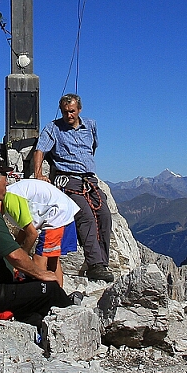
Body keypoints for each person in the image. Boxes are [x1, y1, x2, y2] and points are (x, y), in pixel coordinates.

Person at [0, 156, 76, 330]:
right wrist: (41, 274)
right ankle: (74, 325)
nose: (7, 183)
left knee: (32, 298)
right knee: (49, 289)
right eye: (5, 178)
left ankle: (38, 326)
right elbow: (14, 255)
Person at [33, 93, 114, 283]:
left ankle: (103, 262)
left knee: (104, 215)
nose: (68, 115)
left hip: (89, 180)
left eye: (72, 111)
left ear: (79, 110)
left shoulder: (90, 126)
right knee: (85, 215)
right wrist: (37, 173)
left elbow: (92, 148)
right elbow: (40, 150)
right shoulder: (53, 128)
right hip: (68, 180)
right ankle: (94, 265)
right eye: (65, 112)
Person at [0, 178, 79, 287]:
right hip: (63, 209)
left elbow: (32, 234)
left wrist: (21, 259)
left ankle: (43, 294)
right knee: (52, 258)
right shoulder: (11, 195)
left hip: (57, 213)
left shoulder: (10, 200)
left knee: (39, 258)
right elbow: (25, 229)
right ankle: (59, 294)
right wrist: (16, 247)